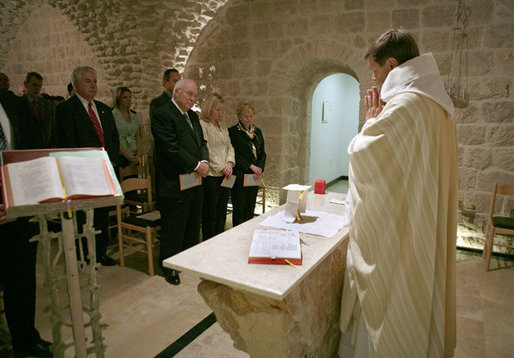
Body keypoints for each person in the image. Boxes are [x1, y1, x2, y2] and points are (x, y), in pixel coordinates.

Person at [338, 29, 458, 358]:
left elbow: (364, 155)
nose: (374, 80)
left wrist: (368, 123)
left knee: (395, 295)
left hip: (401, 230)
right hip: (422, 219)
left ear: (392, 64)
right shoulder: (438, 106)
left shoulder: (406, 105)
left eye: (376, 72)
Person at [0, 87, 52, 357]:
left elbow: (29, 149)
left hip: (18, 208)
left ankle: (25, 338)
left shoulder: (10, 102)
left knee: (21, 280)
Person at [53, 66, 121, 266]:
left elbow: (113, 138)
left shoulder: (103, 109)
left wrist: (113, 160)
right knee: (83, 216)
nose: (93, 85)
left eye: (95, 81)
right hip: (81, 174)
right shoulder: (66, 109)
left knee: (101, 215)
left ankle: (99, 252)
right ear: (75, 85)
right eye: (87, 81)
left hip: (104, 171)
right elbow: (66, 142)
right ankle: (83, 255)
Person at [151, 79, 209, 285]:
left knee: (193, 223)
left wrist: (203, 161)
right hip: (174, 182)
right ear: (176, 93)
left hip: (194, 179)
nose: (193, 99)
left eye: (194, 95)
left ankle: (188, 259)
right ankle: (169, 267)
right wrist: (196, 164)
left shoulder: (192, 116)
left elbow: (201, 142)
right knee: (173, 227)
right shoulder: (162, 113)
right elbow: (170, 147)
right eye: (189, 94)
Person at [199, 93, 235, 240]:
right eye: (217, 109)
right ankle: (209, 242)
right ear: (209, 108)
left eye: (222, 110)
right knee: (210, 214)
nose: (220, 113)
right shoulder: (203, 124)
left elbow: (229, 147)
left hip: (225, 174)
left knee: (222, 212)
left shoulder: (222, 126)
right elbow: (205, 149)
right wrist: (222, 166)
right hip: (212, 175)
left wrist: (230, 163)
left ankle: (219, 240)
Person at [228, 101, 266, 227]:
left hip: (254, 176)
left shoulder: (257, 132)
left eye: (251, 116)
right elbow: (235, 154)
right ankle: (238, 234)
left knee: (250, 206)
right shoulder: (233, 132)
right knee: (239, 208)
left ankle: (249, 231)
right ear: (239, 116)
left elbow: (262, 153)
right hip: (240, 175)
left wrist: (260, 168)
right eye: (245, 116)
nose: (249, 119)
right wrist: (251, 166)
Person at [22, 72, 55, 148]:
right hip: (26, 147)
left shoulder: (46, 104)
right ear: (26, 84)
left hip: (45, 147)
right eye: (34, 85)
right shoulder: (18, 103)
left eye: (39, 86)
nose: (37, 89)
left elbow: (52, 127)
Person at [112, 86, 141, 167]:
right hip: (121, 155)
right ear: (118, 99)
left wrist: (138, 155)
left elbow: (138, 137)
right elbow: (114, 139)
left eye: (130, 97)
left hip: (134, 153)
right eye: (125, 97)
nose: (128, 100)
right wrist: (128, 157)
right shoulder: (112, 115)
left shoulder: (133, 115)